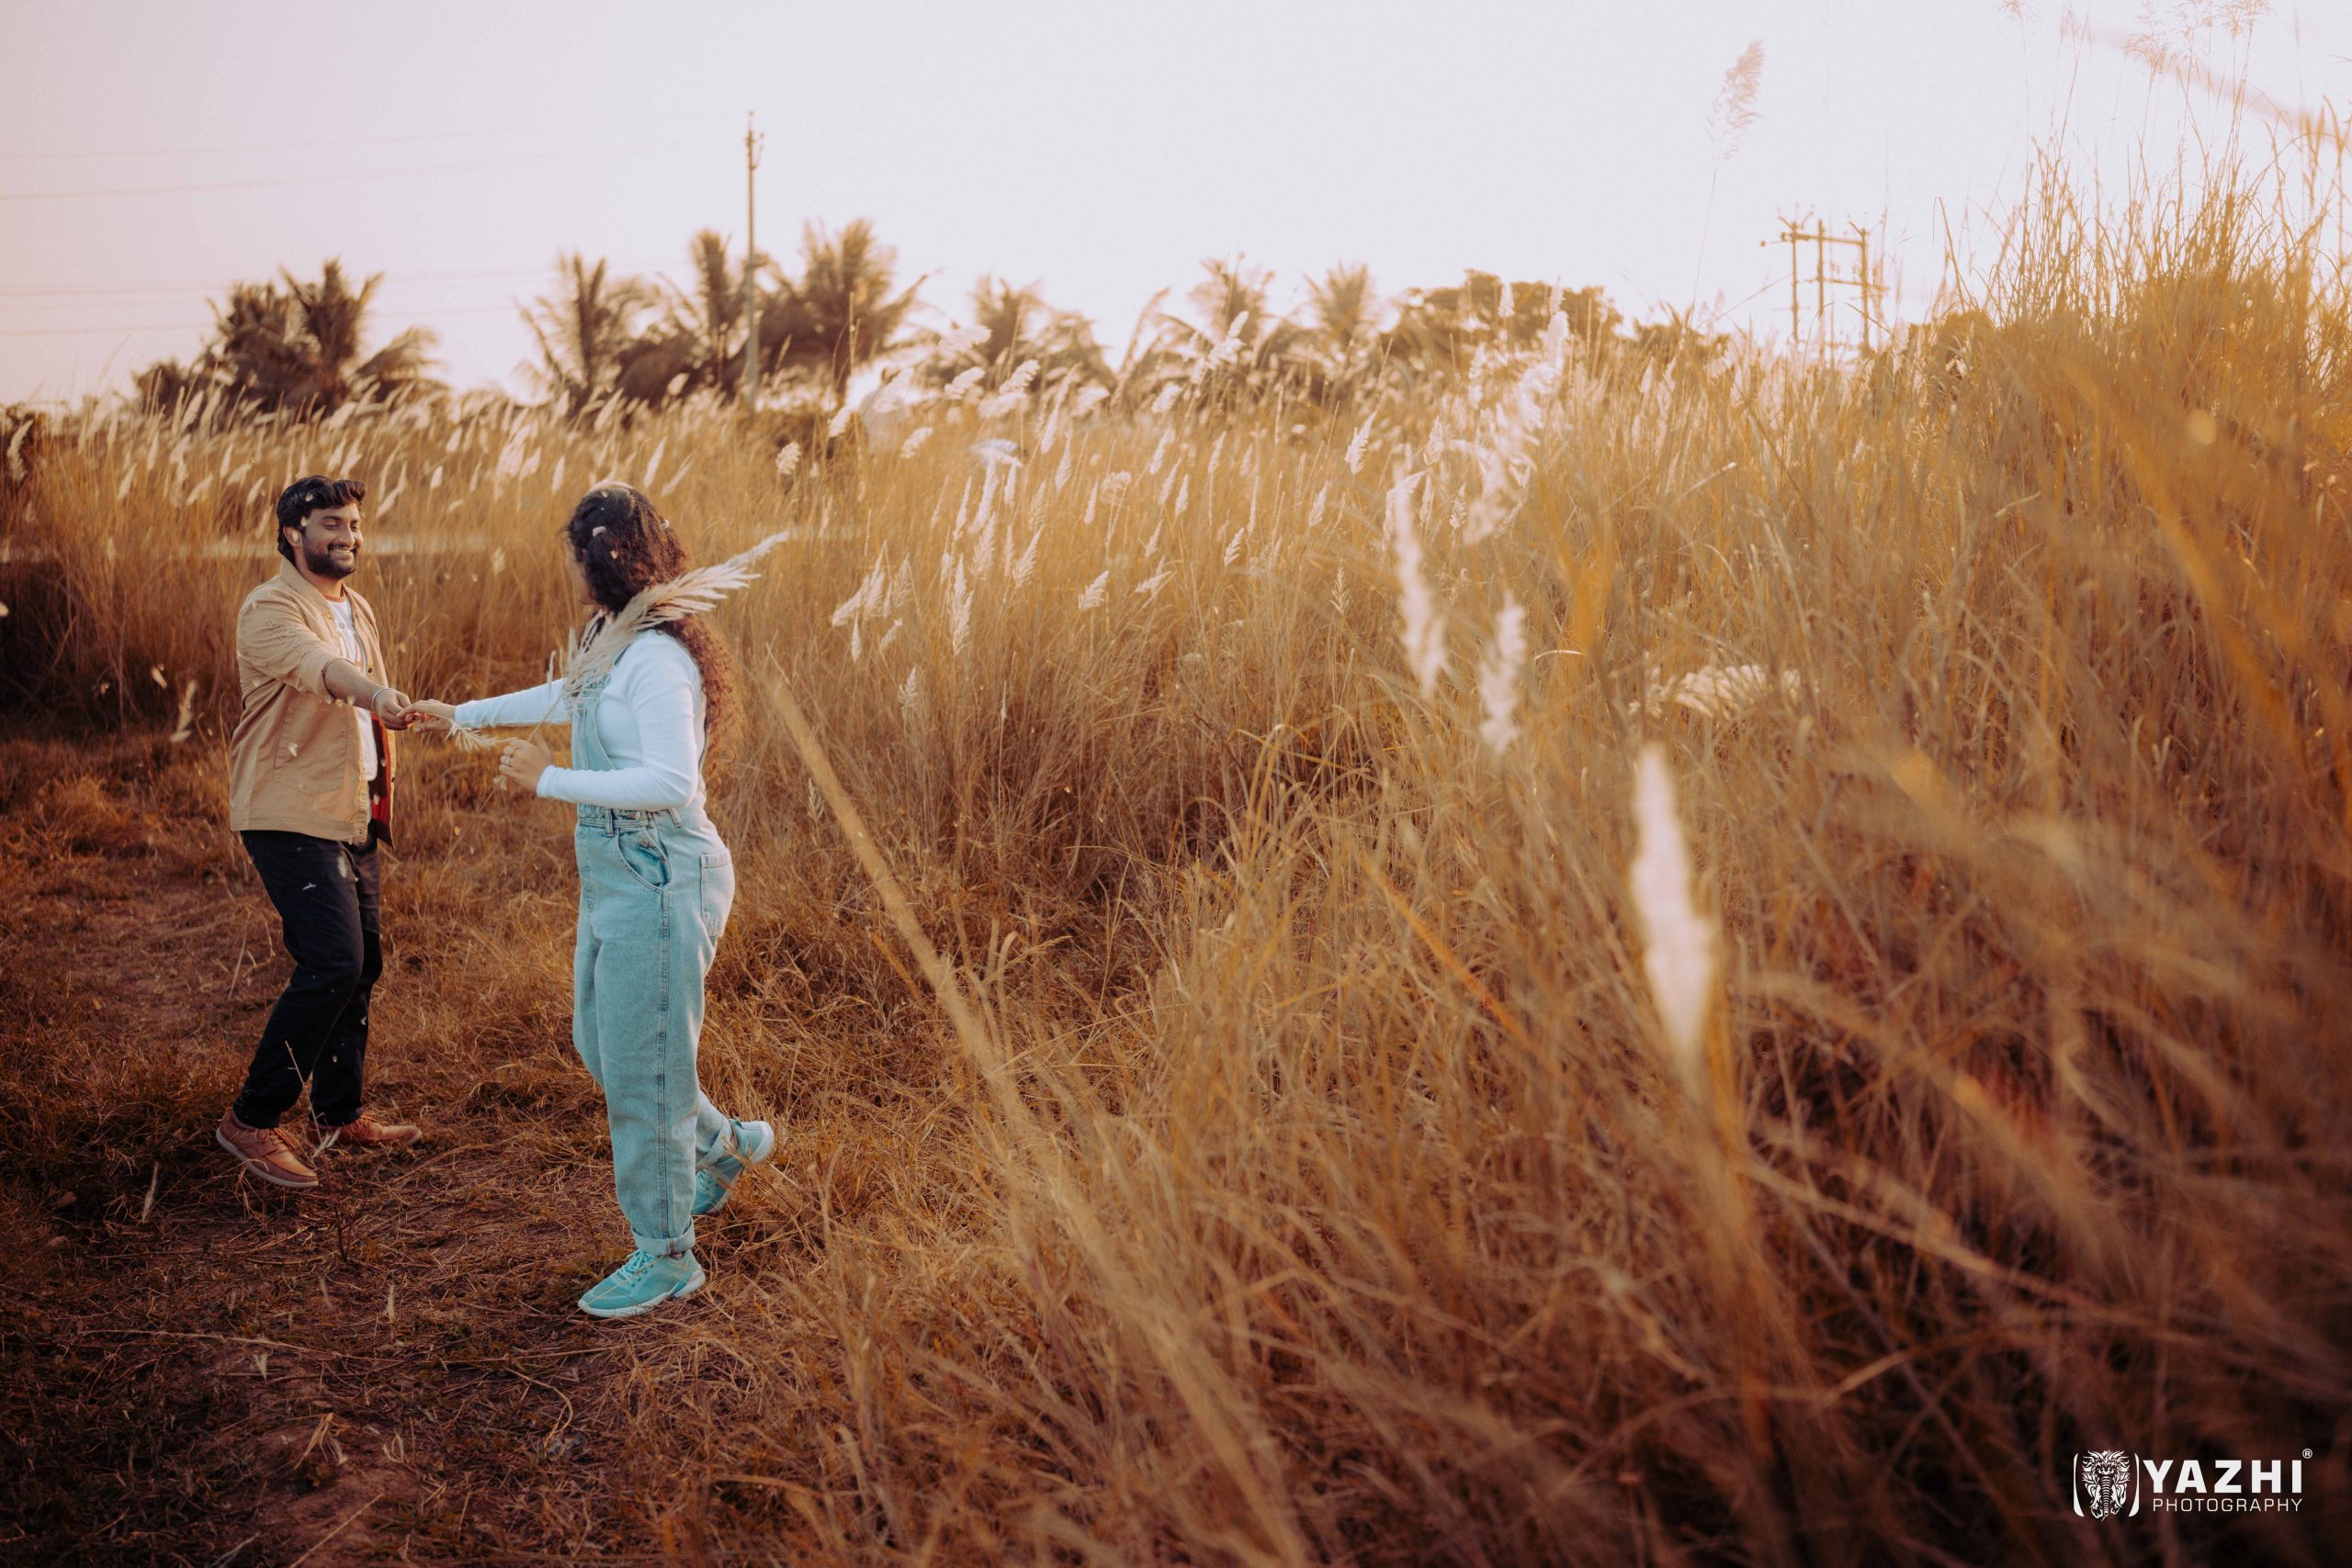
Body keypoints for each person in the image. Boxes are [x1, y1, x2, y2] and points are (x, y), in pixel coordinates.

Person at [411, 483, 772, 1320]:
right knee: (599, 1037)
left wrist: (548, 779)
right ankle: (720, 1146)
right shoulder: (612, 637)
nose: (570, 568)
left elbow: (674, 781)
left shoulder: (658, 660)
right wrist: (456, 716)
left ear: (601, 556)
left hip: (661, 873)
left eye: (577, 554)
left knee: (644, 1074)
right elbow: (559, 698)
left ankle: (667, 1254)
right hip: (618, 873)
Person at [218, 475, 425, 1190]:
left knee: (362, 964)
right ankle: (251, 1117)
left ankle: (338, 1114)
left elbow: (362, 700)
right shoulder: (270, 606)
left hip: (351, 809)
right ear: (291, 533)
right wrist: (376, 692)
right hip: (287, 809)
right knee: (333, 959)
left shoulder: (356, 606)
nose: (348, 536)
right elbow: (320, 671)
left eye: (355, 525)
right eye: (331, 523)